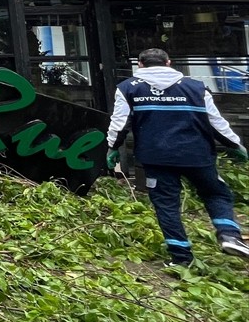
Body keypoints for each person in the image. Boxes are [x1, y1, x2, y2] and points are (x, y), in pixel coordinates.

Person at [106, 48, 249, 265]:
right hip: (197, 155)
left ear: (140, 65)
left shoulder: (128, 88)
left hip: (156, 157)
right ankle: (229, 234)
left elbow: (120, 124)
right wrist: (236, 145)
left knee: (166, 204)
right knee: (216, 193)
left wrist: (112, 148)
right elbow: (216, 122)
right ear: (169, 63)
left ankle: (181, 258)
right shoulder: (196, 87)